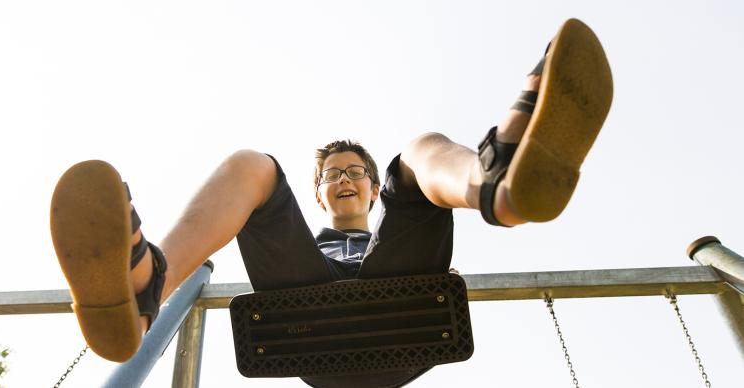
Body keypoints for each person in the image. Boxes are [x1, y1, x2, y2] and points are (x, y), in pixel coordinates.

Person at [50, 18, 612, 388]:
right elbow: (273, 221)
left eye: (356, 173)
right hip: (310, 326)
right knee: (253, 164)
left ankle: (495, 184)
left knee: (415, 152)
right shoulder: (306, 245)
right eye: (332, 175)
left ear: (371, 189)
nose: (345, 179)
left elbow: (402, 196)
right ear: (318, 194)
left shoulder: (395, 226)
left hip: (399, 323)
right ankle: (146, 286)